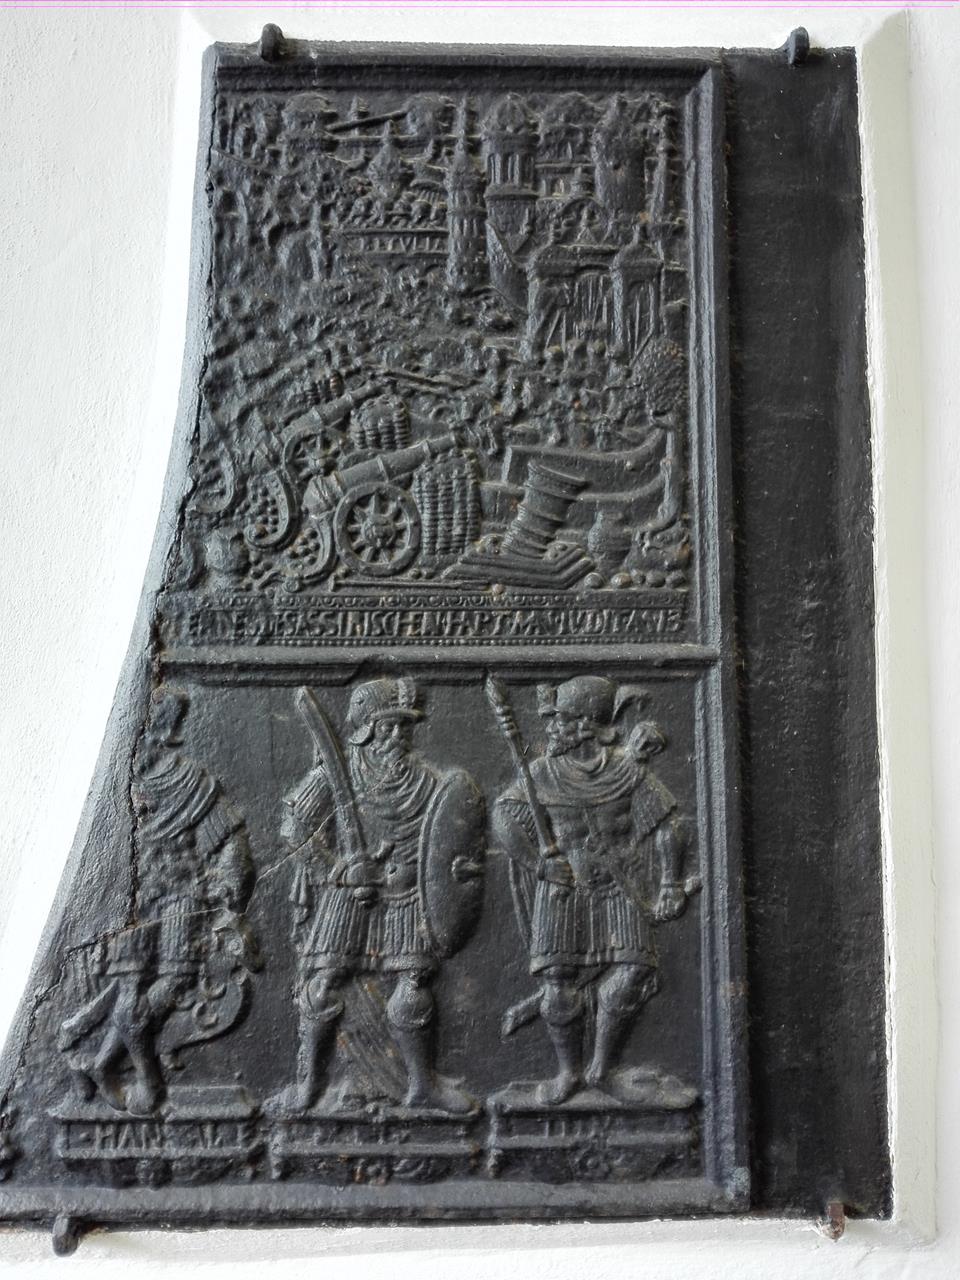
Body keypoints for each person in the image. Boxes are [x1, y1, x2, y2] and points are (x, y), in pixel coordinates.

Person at [269, 678, 483, 1115]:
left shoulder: (425, 782)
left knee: (413, 985)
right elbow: (294, 829)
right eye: (389, 726)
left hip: (406, 894)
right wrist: (337, 870)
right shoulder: (338, 774)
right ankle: (308, 1086)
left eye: (404, 727)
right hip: (348, 896)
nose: (400, 735)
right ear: (366, 729)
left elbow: (445, 838)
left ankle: (421, 1086)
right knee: (322, 985)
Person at [493, 676, 690, 1106]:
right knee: (558, 982)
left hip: (618, 882)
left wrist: (671, 883)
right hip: (562, 886)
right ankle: (568, 1073)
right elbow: (504, 817)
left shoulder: (627, 772)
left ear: (586, 725)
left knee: (632, 971)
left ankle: (601, 1069)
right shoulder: (541, 773)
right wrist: (538, 863)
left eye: (560, 721)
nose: (552, 729)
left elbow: (668, 825)